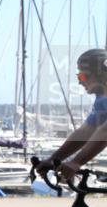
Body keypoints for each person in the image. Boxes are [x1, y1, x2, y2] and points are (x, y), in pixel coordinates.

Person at [37, 49, 107, 181]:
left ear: (102, 75)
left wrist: (76, 162)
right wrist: (53, 159)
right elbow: (85, 132)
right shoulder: (101, 99)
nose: (80, 82)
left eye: (83, 76)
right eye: (78, 77)